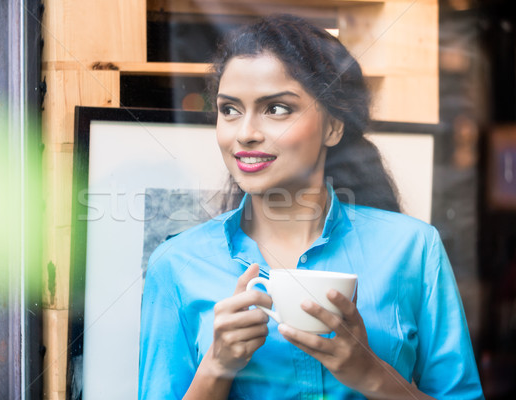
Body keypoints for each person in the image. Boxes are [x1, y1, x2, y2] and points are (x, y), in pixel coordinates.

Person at [139, 14, 484, 400]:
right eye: (230, 110)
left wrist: (372, 375)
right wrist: (215, 368)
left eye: (277, 109)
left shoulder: (414, 249)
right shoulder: (175, 264)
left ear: (334, 127)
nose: (245, 133)